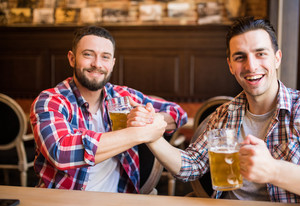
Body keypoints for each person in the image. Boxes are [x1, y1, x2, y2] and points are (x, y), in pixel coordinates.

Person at [132, 17, 300, 206]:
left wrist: (275, 170)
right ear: (231, 65)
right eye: (240, 57)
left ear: (277, 58)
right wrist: (152, 137)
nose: (251, 66)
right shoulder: (223, 115)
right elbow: (191, 166)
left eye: (260, 54)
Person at [30, 25, 187, 193]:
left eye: (105, 57)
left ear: (112, 64)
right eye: (88, 54)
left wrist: (151, 118)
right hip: (62, 204)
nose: (97, 64)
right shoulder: (50, 100)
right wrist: (139, 134)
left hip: (119, 203)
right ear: (72, 58)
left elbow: (177, 113)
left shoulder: (123, 95)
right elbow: (60, 152)